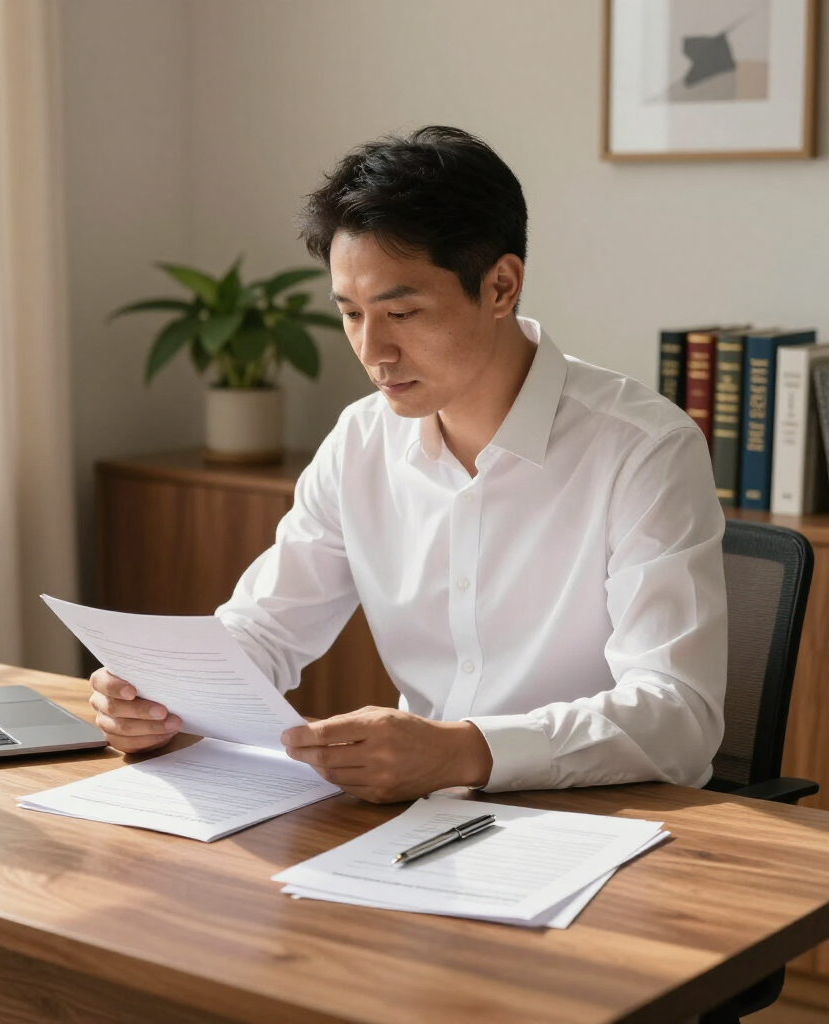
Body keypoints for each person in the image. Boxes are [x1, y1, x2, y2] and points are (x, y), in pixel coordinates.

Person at [88, 126, 727, 803]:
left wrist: (465, 751)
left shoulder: (642, 448)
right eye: (351, 314)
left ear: (502, 286)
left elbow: (678, 716)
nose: (373, 351)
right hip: (417, 823)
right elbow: (268, 628)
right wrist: (162, 698)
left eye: (401, 311)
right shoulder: (362, 441)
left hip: (603, 818)